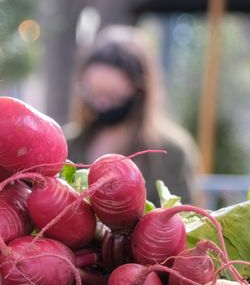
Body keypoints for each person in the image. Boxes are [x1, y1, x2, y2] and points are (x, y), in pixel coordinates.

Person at [65, 25, 200, 204]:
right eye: (94, 94)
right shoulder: (67, 144)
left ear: (139, 91)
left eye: (113, 96)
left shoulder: (171, 151)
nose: (103, 104)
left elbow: (185, 220)